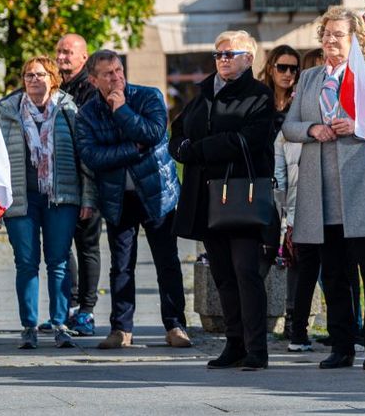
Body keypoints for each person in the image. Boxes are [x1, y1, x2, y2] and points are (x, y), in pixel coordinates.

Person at [281, 6, 365, 371]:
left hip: (362, 187)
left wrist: (360, 125)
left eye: (338, 35)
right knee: (333, 275)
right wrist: (312, 130)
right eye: (326, 34)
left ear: (355, 39)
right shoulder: (309, 78)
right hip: (321, 193)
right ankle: (342, 346)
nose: (330, 40)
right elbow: (290, 126)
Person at [172, 31, 275, 370]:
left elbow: (250, 138)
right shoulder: (203, 93)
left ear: (250, 58)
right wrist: (182, 148)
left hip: (241, 197)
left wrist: (199, 148)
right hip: (206, 196)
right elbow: (179, 131)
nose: (223, 60)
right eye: (218, 54)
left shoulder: (260, 96)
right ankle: (235, 343)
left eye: (230, 54)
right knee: (222, 274)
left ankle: (256, 348)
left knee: (246, 272)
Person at [76, 49, 190, 350]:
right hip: (117, 197)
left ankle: (175, 325)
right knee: (122, 265)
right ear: (93, 79)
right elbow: (92, 156)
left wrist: (122, 110)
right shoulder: (88, 113)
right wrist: (133, 148)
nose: (116, 77)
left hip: (156, 193)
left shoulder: (148, 96)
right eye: (108, 74)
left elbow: (153, 134)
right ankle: (121, 329)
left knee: (167, 261)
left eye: (118, 70)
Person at [0, 56, 91, 350]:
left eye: (40, 75)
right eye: (28, 75)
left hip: (60, 196)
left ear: (53, 78)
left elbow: (83, 158)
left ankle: (61, 323)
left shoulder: (68, 110)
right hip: (21, 198)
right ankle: (29, 326)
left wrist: (88, 197)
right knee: (26, 263)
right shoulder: (7, 111)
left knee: (59, 262)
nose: (34, 80)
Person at [55, 33, 100, 337]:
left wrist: (90, 193)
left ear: (84, 56)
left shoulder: (91, 91)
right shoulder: (53, 86)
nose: (62, 57)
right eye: (59, 52)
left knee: (87, 246)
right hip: (59, 182)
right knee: (60, 247)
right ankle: (67, 307)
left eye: (68, 52)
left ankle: (86, 310)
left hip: (88, 181)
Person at [260, 45, 303, 343]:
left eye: (293, 69)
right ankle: (249, 317)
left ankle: (292, 317)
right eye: (282, 67)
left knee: (295, 253)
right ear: (271, 68)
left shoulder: (299, 104)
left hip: (293, 185)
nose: (288, 74)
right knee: (261, 253)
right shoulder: (260, 101)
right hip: (261, 183)